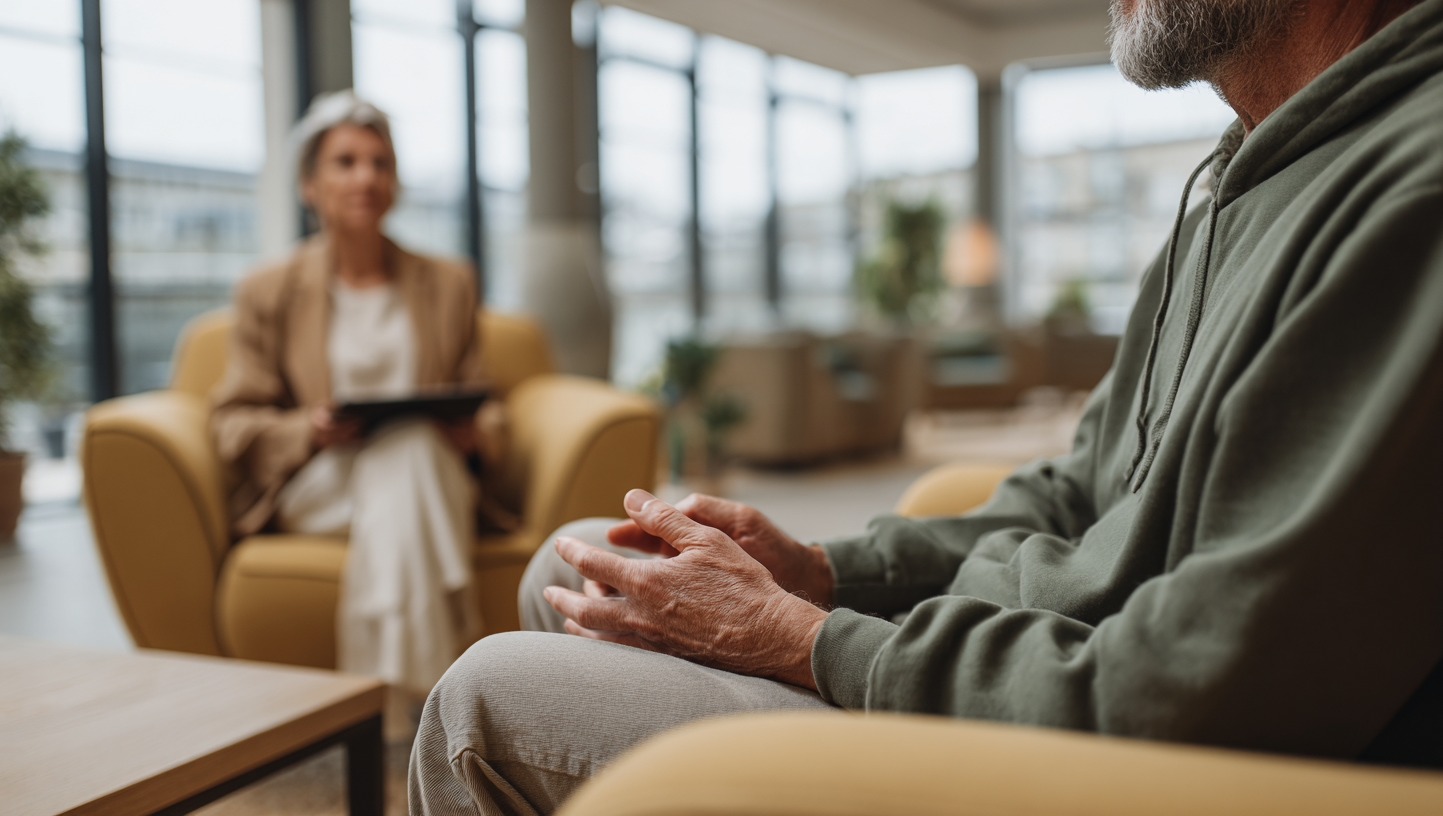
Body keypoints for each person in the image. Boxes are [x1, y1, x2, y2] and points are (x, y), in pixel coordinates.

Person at [411, 0, 1443, 811]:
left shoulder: (1410, 191)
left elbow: (1185, 692)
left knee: (484, 697)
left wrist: (803, 638)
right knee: (578, 561)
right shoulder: (1232, 184)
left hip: (1100, 750)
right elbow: (1075, 489)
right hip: (1035, 660)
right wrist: (824, 573)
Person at [211, 91, 507, 739]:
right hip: (322, 481)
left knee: (410, 452)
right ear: (309, 185)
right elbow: (233, 419)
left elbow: (491, 406)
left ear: (394, 181)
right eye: (345, 162)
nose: (365, 177)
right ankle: (441, 711)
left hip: (427, 472)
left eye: (379, 162)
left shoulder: (448, 282)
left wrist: (472, 433)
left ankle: (391, 714)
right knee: (406, 460)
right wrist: (308, 429)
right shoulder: (267, 291)